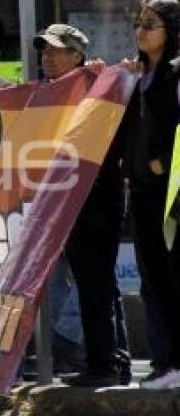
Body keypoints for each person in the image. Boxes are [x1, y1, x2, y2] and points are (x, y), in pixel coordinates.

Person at [32, 25, 131, 386]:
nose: (47, 56)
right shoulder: (47, 92)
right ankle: (111, 361)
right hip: (68, 201)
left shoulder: (97, 86)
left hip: (96, 201)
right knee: (100, 286)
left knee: (94, 284)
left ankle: (102, 365)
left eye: (57, 50)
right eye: (44, 50)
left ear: (78, 55)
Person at [119, 0, 180, 389]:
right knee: (152, 278)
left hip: (172, 194)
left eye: (150, 24)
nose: (140, 31)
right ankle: (165, 364)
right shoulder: (137, 75)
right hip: (142, 192)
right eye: (139, 23)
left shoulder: (176, 75)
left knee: (173, 276)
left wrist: (160, 160)